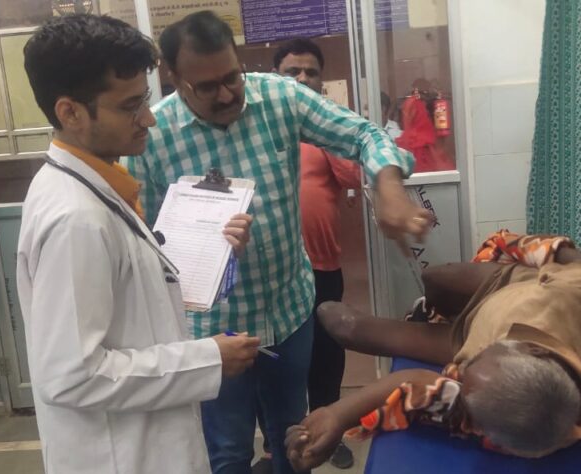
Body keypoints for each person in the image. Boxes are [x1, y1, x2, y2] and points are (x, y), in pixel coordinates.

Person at [124, 11, 432, 474]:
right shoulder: (154, 136)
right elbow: (141, 241)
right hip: (212, 331)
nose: (226, 94)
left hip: (287, 314)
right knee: (227, 451)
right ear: (176, 79)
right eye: (207, 87)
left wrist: (388, 186)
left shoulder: (280, 97)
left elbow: (364, 134)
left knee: (294, 437)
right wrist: (207, 249)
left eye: (232, 77)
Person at [16, 14, 260, 474]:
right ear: (70, 113)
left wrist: (213, 257)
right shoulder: (76, 220)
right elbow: (71, 376)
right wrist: (206, 359)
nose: (148, 118)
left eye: (144, 99)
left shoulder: (98, 187)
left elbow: (133, 302)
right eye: (130, 107)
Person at [284, 232, 581, 470]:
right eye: (483, 359)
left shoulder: (499, 417)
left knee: (338, 322)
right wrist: (525, 249)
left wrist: (335, 416)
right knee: (435, 278)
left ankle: (435, 318)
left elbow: (414, 381)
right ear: (535, 353)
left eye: (463, 376)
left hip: (461, 338)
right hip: (509, 287)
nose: (459, 372)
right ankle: (435, 305)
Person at [264, 38, 362, 471]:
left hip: (323, 265)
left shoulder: (328, 127)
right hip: (277, 270)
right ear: (276, 77)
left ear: (321, 80)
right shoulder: (263, 129)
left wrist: (323, 128)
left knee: (326, 353)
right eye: (292, 72)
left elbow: (353, 176)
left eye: (311, 72)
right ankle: (277, 443)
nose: (302, 78)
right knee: (277, 358)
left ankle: (328, 431)